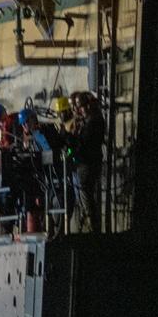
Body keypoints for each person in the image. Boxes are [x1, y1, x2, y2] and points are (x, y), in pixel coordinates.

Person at [66, 91, 106, 232]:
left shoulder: (94, 121)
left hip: (89, 162)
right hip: (84, 161)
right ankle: (87, 220)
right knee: (82, 192)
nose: (78, 110)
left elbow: (83, 144)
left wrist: (69, 137)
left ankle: (91, 222)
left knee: (84, 190)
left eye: (80, 106)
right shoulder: (89, 120)